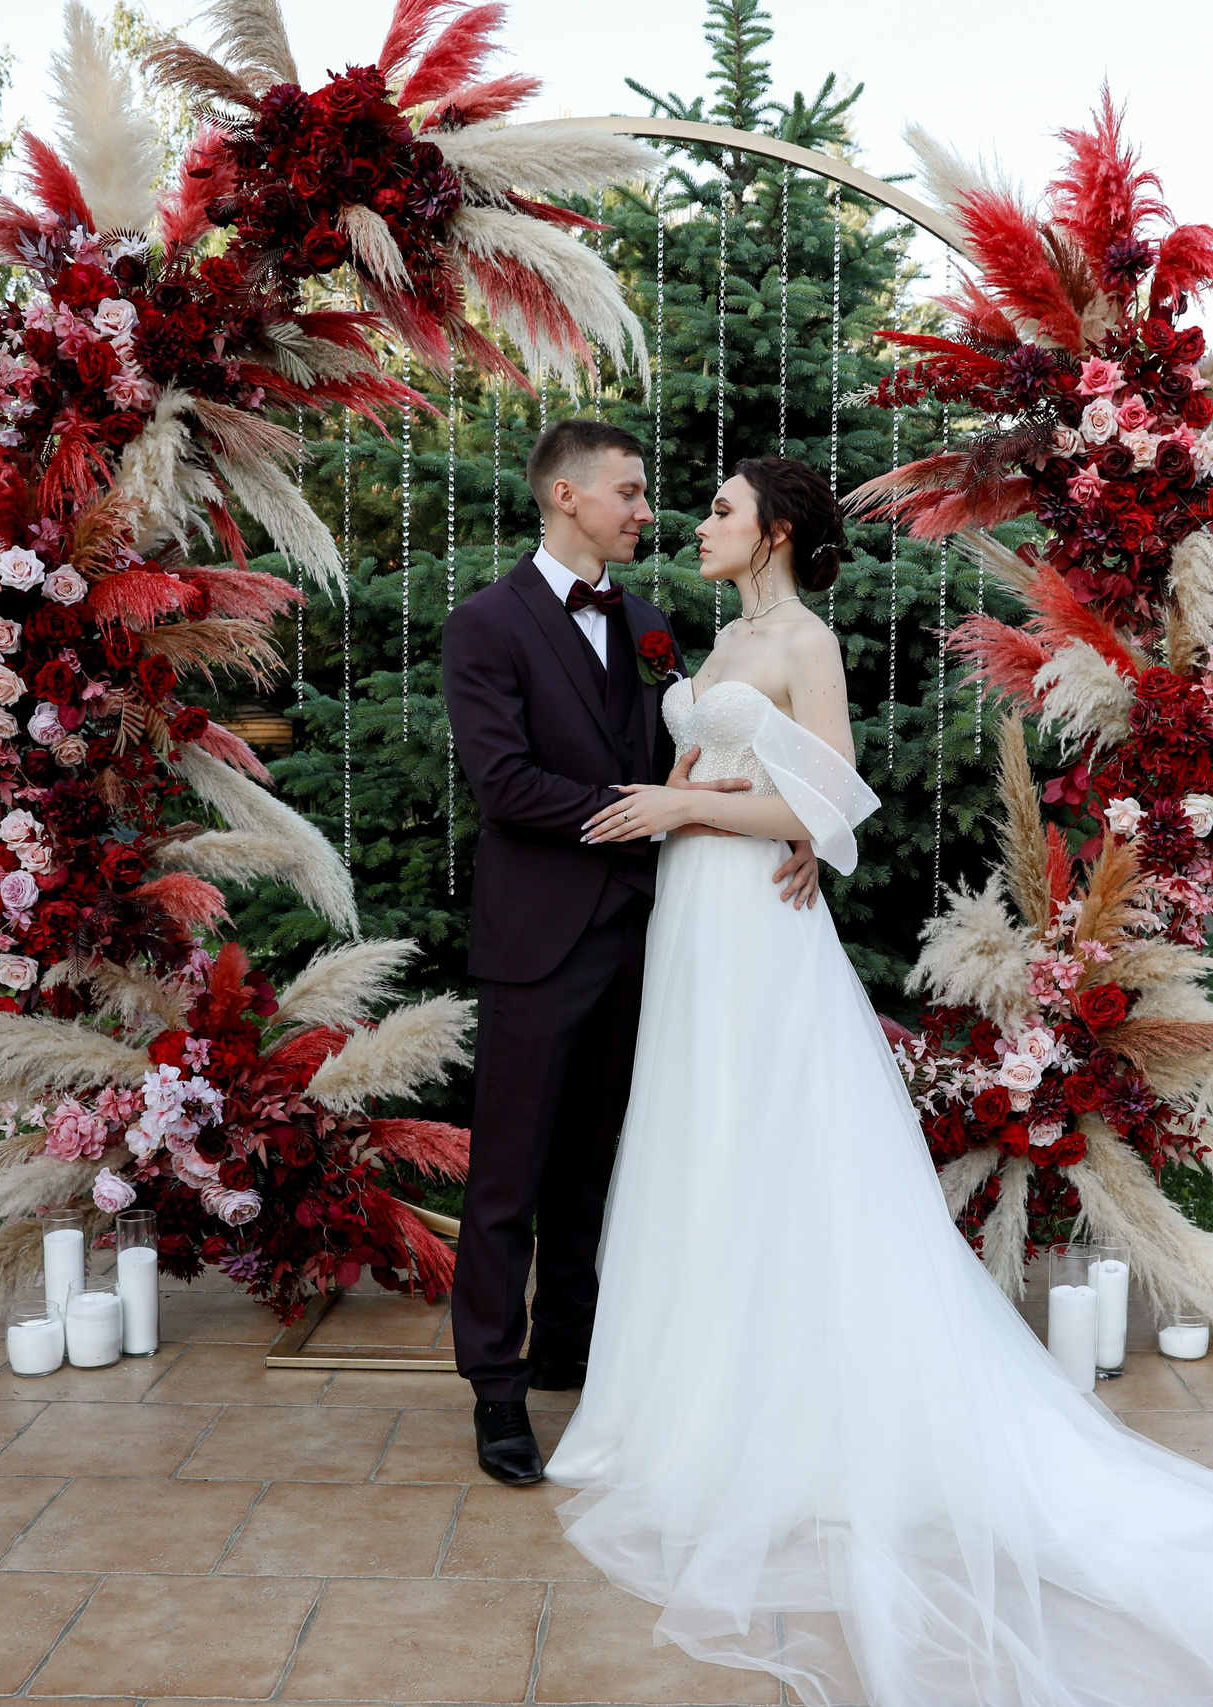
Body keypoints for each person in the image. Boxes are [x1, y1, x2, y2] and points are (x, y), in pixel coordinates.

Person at [549, 455, 1213, 1707]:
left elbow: (831, 803)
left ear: (776, 532)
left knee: (762, 1141)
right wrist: (689, 804)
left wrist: (689, 817)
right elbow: (752, 788)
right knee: (700, 1142)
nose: (699, 525)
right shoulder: (723, 641)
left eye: (721, 511)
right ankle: (684, 1397)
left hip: (749, 925)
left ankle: (776, 1416)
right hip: (695, 921)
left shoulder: (805, 639)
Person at [440, 420, 816, 1486]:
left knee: (598, 1165)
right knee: (507, 1177)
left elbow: (706, 758)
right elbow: (504, 786)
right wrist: (656, 811)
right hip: (536, 941)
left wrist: (786, 822)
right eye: (631, 492)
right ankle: (497, 1391)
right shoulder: (485, 626)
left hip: (651, 934)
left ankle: (568, 1346)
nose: (648, 511)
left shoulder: (649, 623)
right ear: (566, 495)